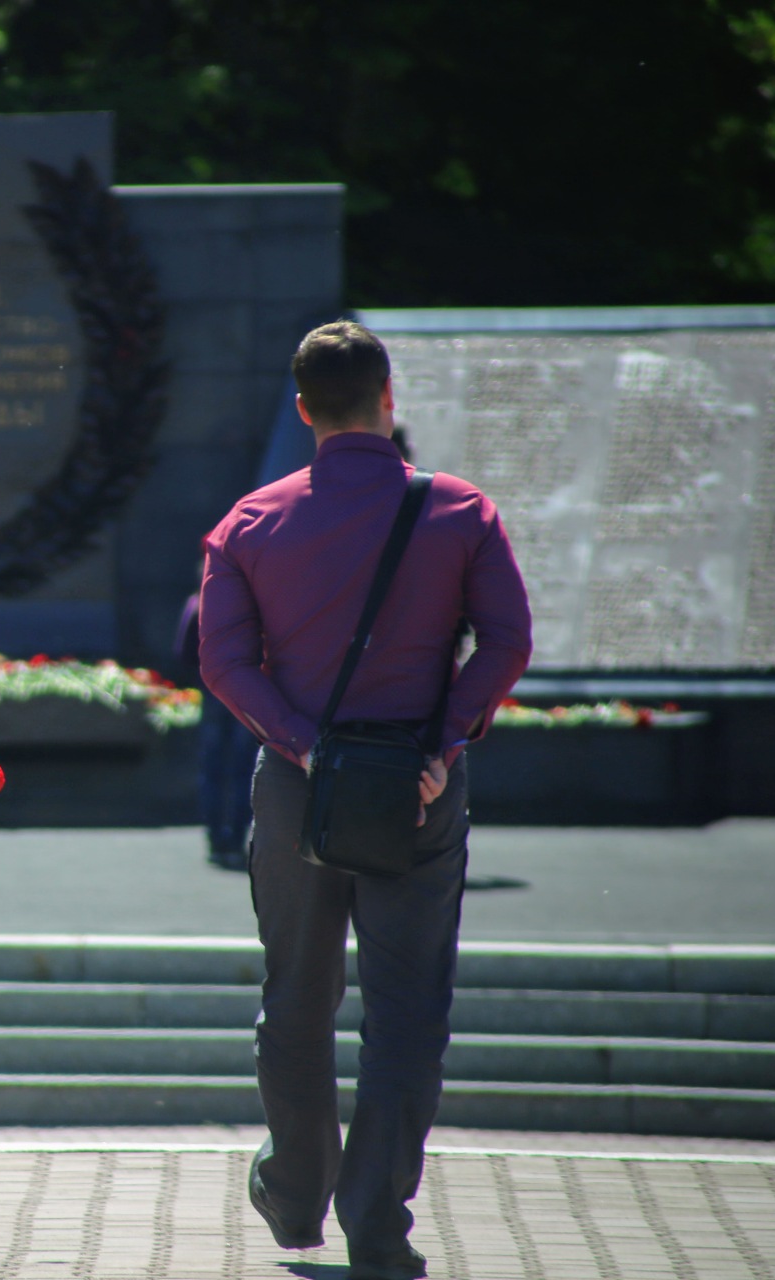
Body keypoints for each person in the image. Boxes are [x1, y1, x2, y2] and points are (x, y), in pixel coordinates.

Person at [199, 321, 531, 1280]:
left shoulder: (249, 523)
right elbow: (507, 641)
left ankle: (296, 1190)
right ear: (389, 399)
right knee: (407, 1011)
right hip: (417, 788)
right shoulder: (461, 511)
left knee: (297, 997)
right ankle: (377, 1226)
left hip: (297, 790)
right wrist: (443, 743)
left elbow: (225, 664)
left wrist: (305, 746)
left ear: (304, 409)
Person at [175, 569, 258, 870]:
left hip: (212, 692)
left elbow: (183, 654)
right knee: (243, 770)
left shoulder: (198, 604)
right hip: (247, 692)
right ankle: (235, 839)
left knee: (213, 768)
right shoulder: (253, 605)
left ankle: (215, 839)